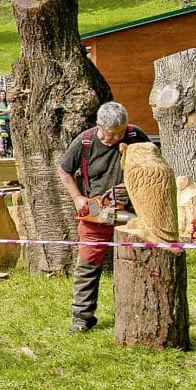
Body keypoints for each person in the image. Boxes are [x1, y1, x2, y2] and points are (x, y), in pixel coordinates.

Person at [57, 102, 149, 333]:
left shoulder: (136, 136)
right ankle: (82, 317)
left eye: (120, 133)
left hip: (132, 209)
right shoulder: (85, 142)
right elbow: (64, 170)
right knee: (88, 263)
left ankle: (138, 312)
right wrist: (77, 197)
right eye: (110, 134)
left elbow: (153, 165)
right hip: (96, 209)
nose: (116, 138)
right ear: (99, 126)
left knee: (139, 261)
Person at [0, 91, 12, 157]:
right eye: (1, 94)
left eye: (4, 94)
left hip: (7, 121)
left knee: (8, 135)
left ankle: (9, 148)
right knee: (0, 135)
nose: (3, 95)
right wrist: (5, 111)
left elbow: (9, 110)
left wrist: (0, 111)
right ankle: (1, 149)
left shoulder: (7, 103)